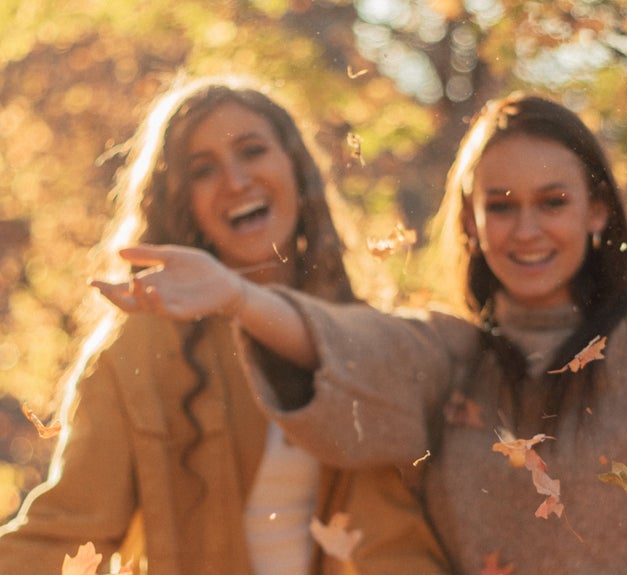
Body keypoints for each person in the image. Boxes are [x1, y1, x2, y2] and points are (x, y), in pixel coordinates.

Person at [93, 92, 627, 574]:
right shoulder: (447, 357)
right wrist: (235, 295)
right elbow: (348, 347)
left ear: (596, 212)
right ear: (469, 220)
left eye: (551, 200)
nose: (525, 229)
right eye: (499, 204)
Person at [0, 74, 451, 575]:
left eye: (252, 151)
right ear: (180, 201)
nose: (236, 181)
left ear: (297, 169)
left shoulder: (370, 338)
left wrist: (242, 299)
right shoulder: (141, 347)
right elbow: (66, 530)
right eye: (203, 170)